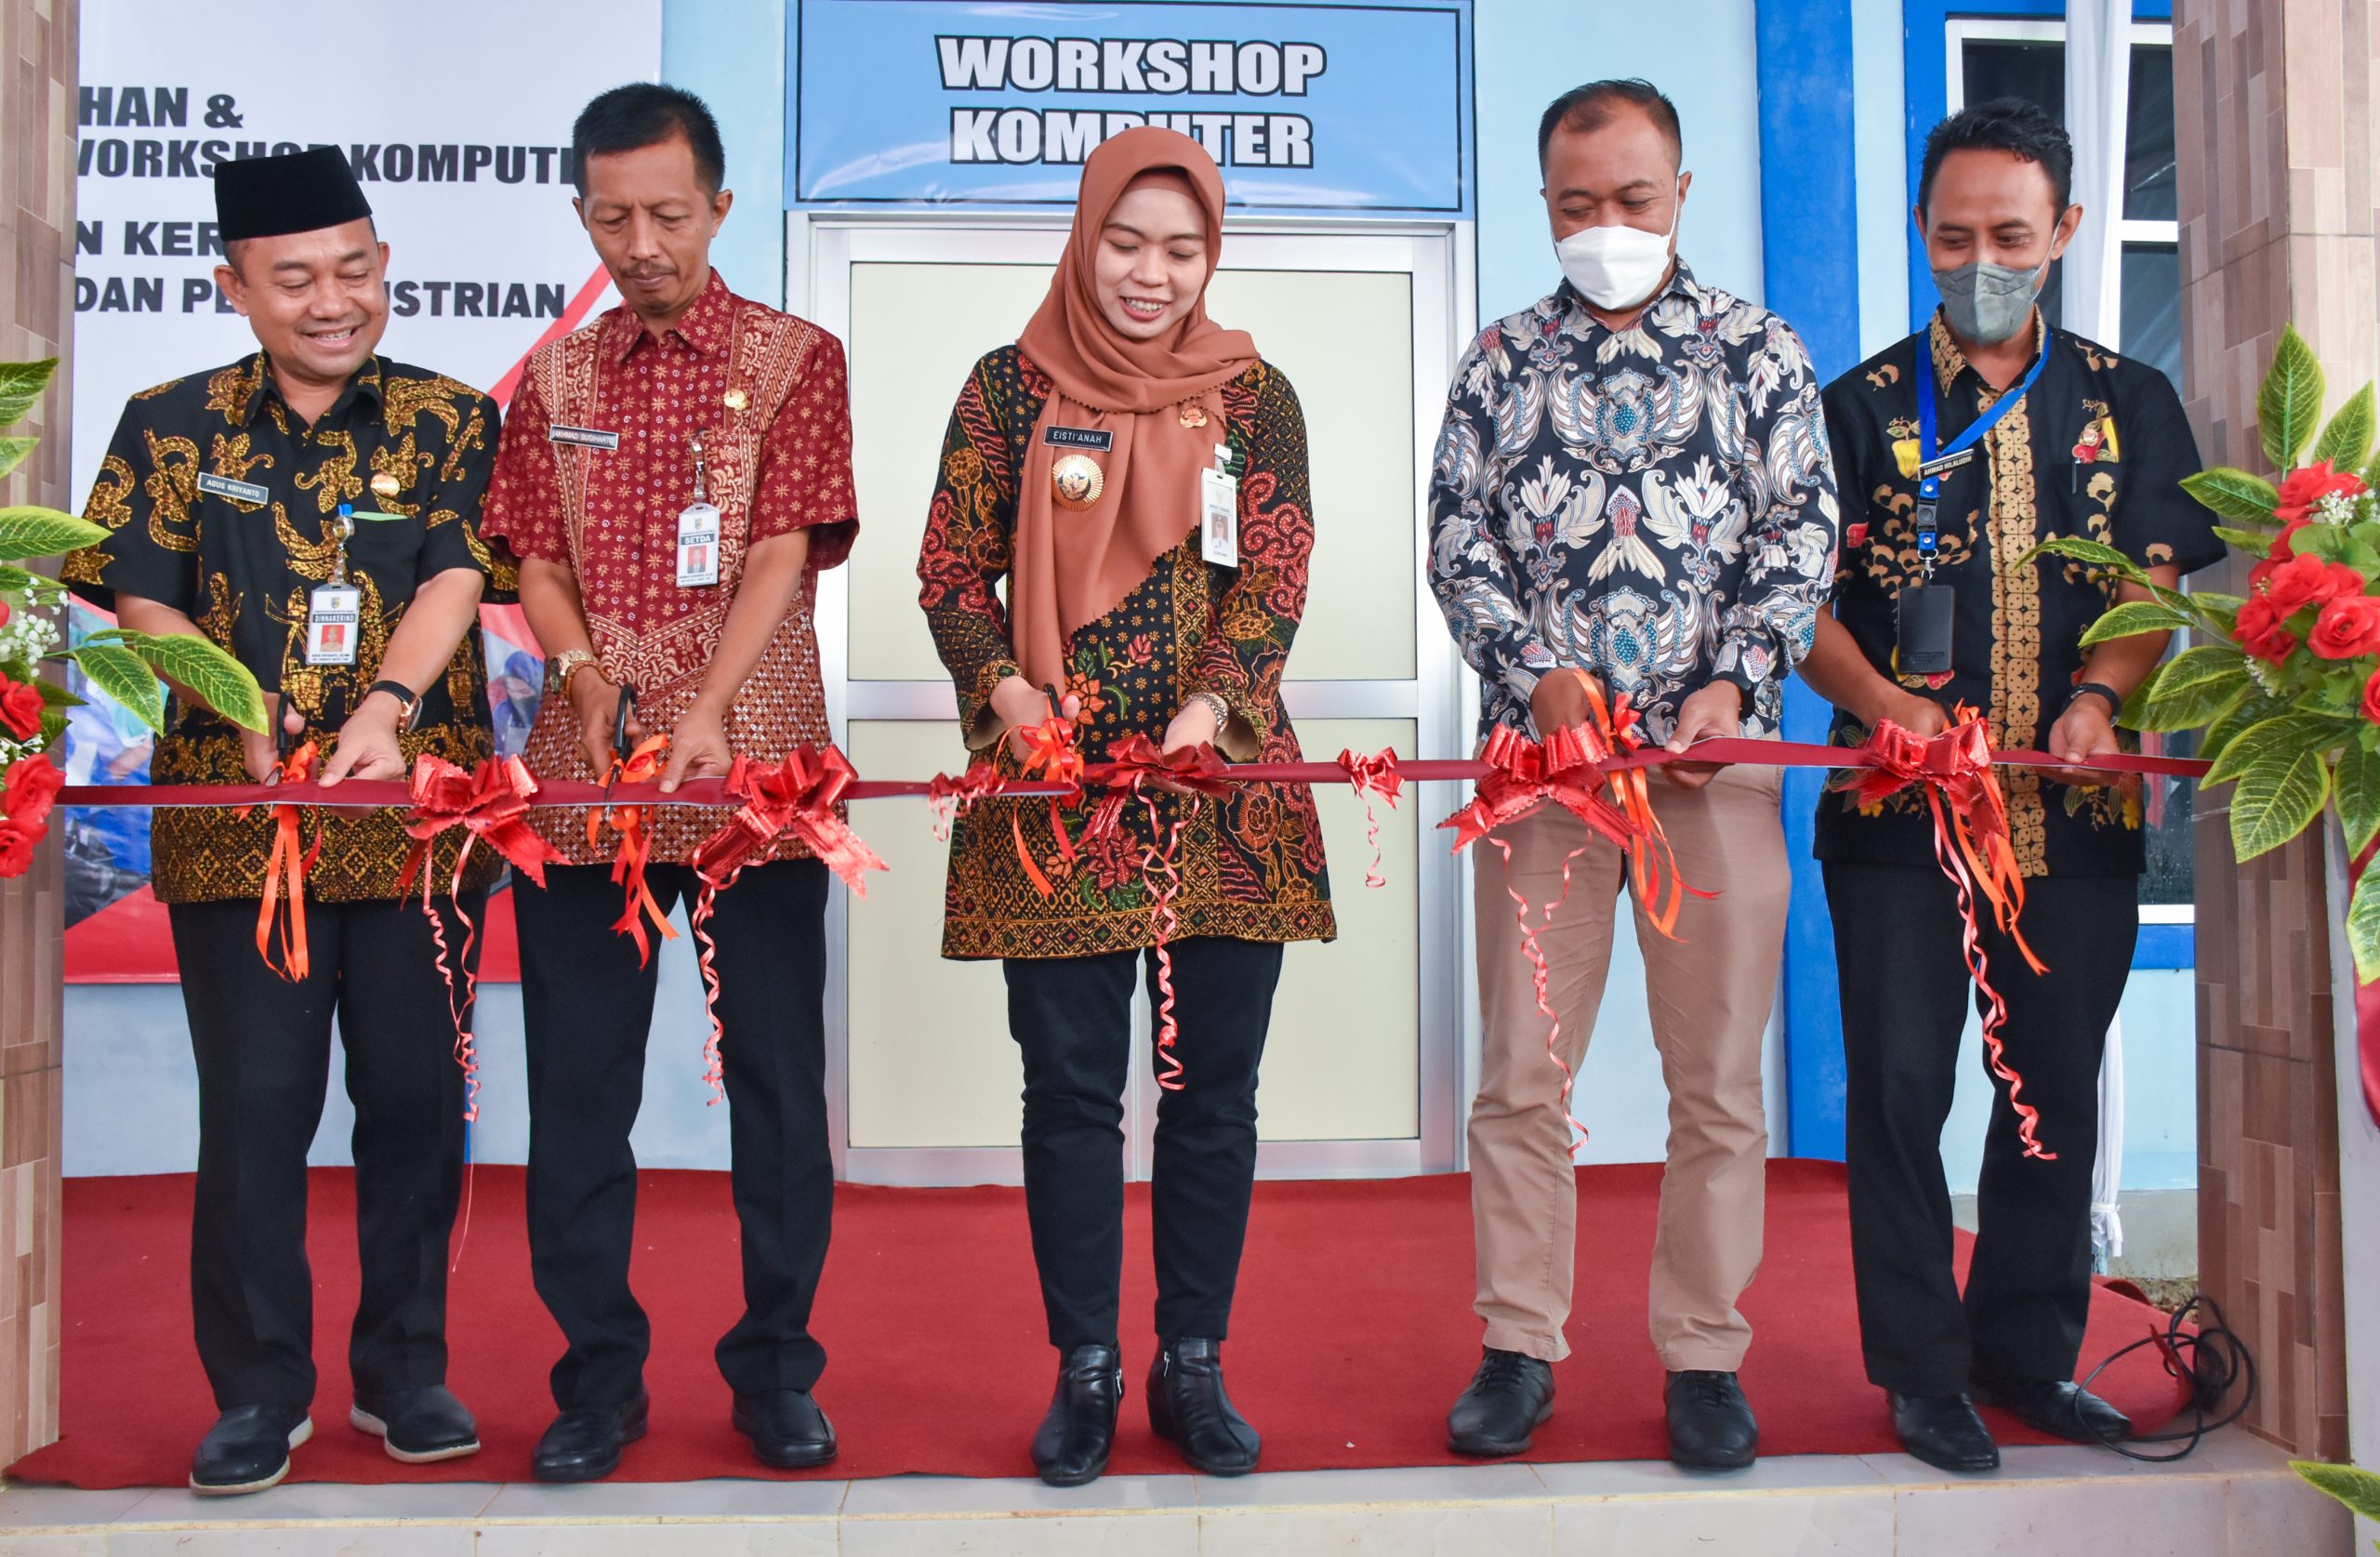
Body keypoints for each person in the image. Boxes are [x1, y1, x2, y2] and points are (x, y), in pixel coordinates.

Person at [61, 148, 506, 1494]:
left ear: (384, 266)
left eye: (356, 271)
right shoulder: (169, 422)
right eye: (297, 278)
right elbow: (134, 590)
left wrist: (383, 708)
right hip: (240, 824)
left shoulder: (450, 416)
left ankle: (403, 1369)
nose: (334, 301)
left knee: (417, 1100)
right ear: (236, 286)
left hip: (417, 814)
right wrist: (232, 698)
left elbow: (454, 576)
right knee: (256, 1109)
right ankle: (259, 1391)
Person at [1799, 98, 2219, 1473]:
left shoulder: (2127, 400)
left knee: (2055, 1090)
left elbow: (2155, 588)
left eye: (2012, 236)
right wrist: (1887, 705)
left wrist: (2104, 700)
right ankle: (1921, 1377)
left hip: (2077, 817)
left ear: (2066, 234)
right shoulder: (1854, 411)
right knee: (1902, 1092)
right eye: (1955, 235)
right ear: (1922, 233)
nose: (1982, 259)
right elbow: (1795, 607)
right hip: (1894, 820)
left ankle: (2024, 1354)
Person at [1425, 80, 1839, 1470]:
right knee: (1520, 1079)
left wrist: (1738, 680)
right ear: (1547, 204)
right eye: (1579, 205)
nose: (1607, 227)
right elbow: (1458, 544)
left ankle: (1705, 1356)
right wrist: (1534, 669)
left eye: (1634, 201)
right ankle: (1518, 1343)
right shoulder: (1496, 363)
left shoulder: (1757, 353)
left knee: (1718, 1081)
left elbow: (1802, 537)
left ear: (1681, 193)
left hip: (1706, 778)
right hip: (1547, 775)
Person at [916, 126, 1333, 1487]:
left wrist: (1213, 710)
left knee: (1216, 1093)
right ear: (1084, 238)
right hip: (1055, 792)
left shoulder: (1256, 395)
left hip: (1219, 790)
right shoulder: (1006, 389)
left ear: (1212, 256)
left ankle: (1192, 1363)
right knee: (1072, 1092)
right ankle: (1086, 1369)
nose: (1152, 273)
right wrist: (1007, 696)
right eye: (1127, 240)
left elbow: (1273, 572)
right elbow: (949, 571)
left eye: (1183, 247)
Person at [479, 84, 859, 1482]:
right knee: (580, 1090)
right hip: (586, 782)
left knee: (771, 1081)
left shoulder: (794, 358)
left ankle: (776, 1373)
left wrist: (703, 709)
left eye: (669, 213)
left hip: (755, 766)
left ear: (721, 206)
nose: (642, 242)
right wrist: (581, 680)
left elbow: (778, 549)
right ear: (584, 214)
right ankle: (596, 1381)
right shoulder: (560, 382)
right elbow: (532, 560)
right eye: (613, 216)